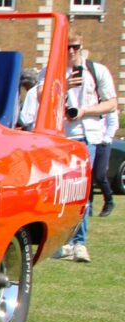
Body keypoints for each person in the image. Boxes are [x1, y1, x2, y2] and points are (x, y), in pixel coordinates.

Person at [59, 34, 118, 261]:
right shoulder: (53, 71)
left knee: (80, 190)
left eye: (75, 47)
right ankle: (62, 242)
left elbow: (111, 103)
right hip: (59, 138)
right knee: (61, 193)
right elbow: (40, 96)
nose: (71, 51)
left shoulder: (96, 71)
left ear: (81, 47)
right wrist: (62, 86)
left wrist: (84, 111)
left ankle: (78, 242)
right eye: (67, 47)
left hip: (86, 137)